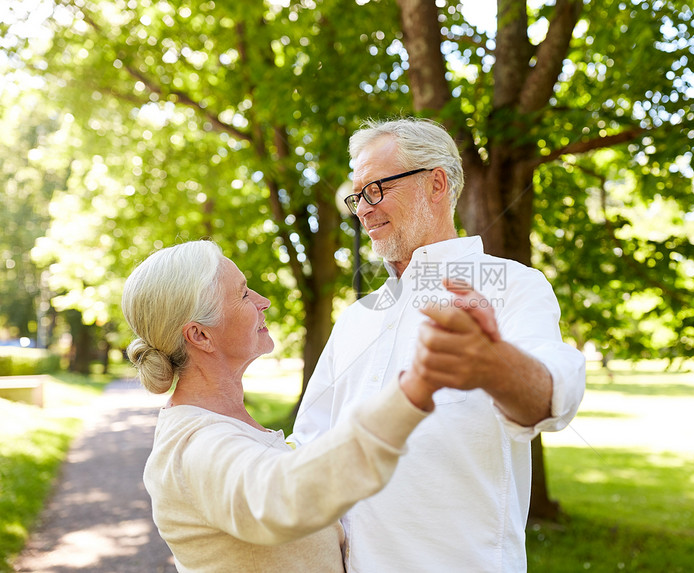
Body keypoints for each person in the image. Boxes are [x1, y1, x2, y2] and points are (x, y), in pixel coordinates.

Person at [291, 118, 587, 571]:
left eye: (375, 189)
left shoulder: (512, 285)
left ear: (436, 183)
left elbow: (554, 396)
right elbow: (307, 451)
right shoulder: (355, 318)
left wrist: (495, 366)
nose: (363, 209)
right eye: (357, 197)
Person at [121, 240, 500, 572]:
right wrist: (417, 387)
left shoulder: (226, 424)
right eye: (242, 294)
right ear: (200, 335)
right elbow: (283, 495)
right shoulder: (195, 448)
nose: (263, 301)